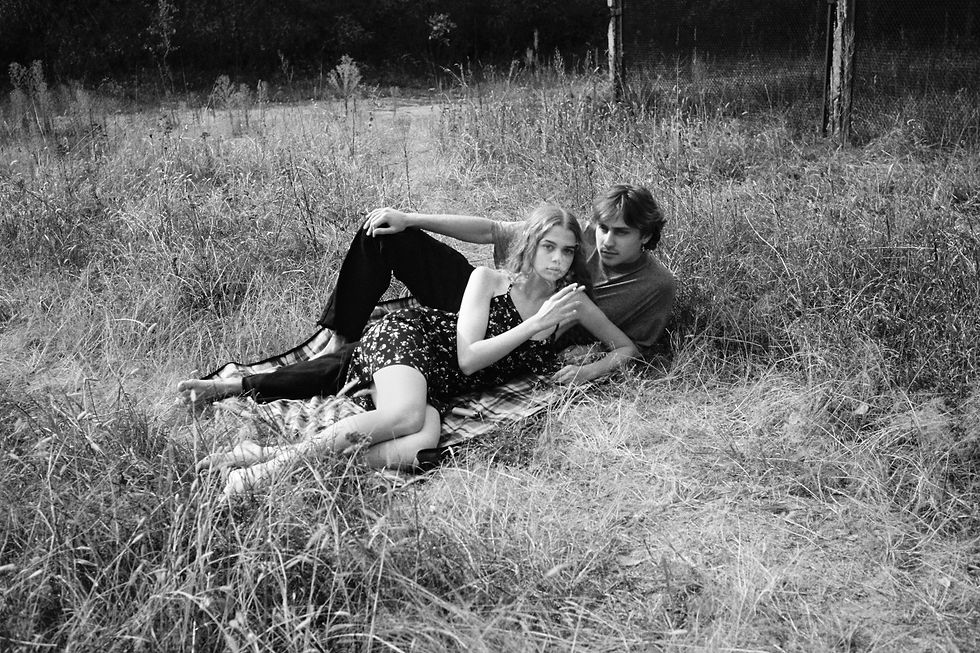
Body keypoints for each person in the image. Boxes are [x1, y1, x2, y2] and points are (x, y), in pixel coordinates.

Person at [198, 205, 637, 494]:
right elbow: (469, 358)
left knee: (422, 448)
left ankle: (272, 457)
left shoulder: (571, 303)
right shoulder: (489, 280)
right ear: (529, 244)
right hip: (412, 338)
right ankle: (262, 476)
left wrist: (590, 371)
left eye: (567, 252)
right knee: (406, 417)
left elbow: (626, 348)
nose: (557, 260)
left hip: (438, 385)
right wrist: (535, 326)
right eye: (548, 247)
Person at [176, 183, 674, 406]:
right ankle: (341, 332)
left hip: (525, 335)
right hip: (487, 299)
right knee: (384, 233)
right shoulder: (571, 234)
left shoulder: (655, 287)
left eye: (622, 233)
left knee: (368, 360)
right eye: (603, 229)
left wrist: (587, 364)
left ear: (646, 236)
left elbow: (636, 348)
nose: (605, 241)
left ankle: (252, 383)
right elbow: (493, 231)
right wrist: (411, 218)